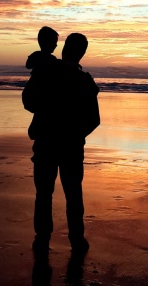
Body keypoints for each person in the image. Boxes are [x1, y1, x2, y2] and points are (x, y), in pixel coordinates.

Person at [22, 33, 100, 256]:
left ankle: (42, 238)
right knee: (73, 194)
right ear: (82, 53)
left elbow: (28, 102)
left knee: (44, 193)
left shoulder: (46, 72)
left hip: (46, 142)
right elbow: (94, 120)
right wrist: (75, 134)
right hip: (71, 147)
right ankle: (76, 239)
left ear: (65, 48)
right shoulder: (84, 81)